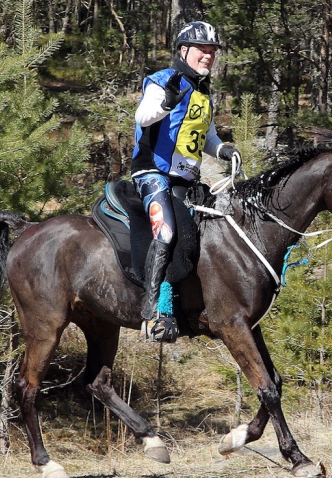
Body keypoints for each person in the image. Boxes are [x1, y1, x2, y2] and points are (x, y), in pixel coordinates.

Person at [130, 21, 241, 342]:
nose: (208, 56)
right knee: (166, 232)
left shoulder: (204, 93)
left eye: (212, 51)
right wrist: (166, 102)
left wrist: (222, 149)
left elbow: (206, 136)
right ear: (184, 51)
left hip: (187, 180)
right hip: (153, 173)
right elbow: (143, 116)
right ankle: (153, 314)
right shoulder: (164, 80)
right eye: (202, 50)